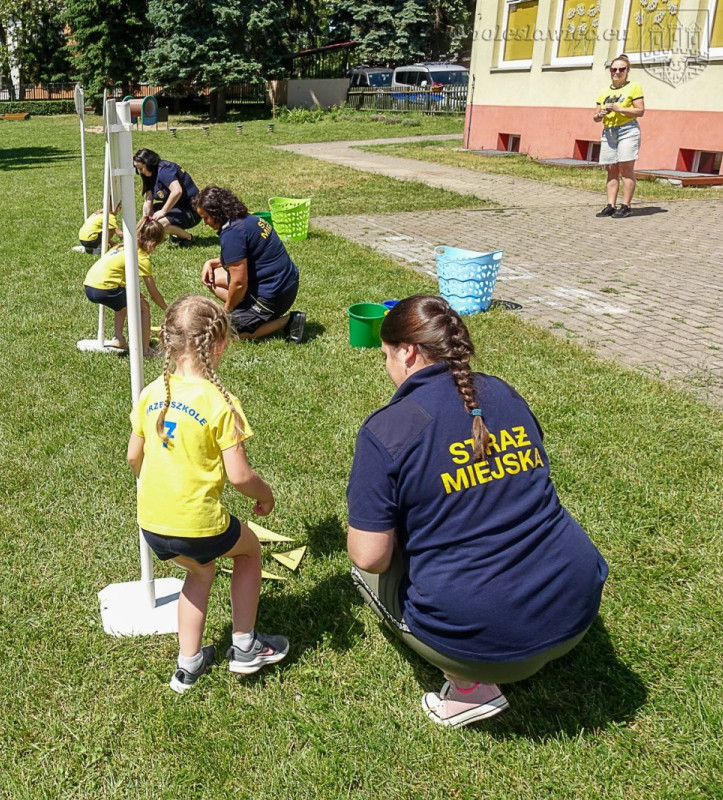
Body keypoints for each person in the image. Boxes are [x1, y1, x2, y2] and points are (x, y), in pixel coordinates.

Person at [346, 295, 608, 728]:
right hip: (576, 608)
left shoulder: (388, 430)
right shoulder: (502, 392)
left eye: (386, 356)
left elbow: (369, 555)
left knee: (364, 569)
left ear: (407, 351)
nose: (388, 367)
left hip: (486, 635)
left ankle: (471, 688)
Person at [127, 294, 289, 694]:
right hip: (198, 524)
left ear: (167, 342)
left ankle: (188, 667)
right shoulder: (221, 403)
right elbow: (239, 476)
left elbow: (133, 456)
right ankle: (246, 646)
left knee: (200, 571)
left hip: (151, 524)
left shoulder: (151, 394)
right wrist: (265, 496)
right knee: (249, 552)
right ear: (219, 344)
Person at [194, 185, 305, 343]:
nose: (205, 223)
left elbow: (239, 283)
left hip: (275, 295)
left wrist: (227, 311)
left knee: (230, 332)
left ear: (216, 213)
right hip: (286, 283)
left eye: (206, 218)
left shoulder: (233, 233)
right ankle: (246, 311)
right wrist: (211, 262)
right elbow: (245, 256)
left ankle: (289, 320)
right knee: (213, 278)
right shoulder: (245, 218)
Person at [83, 218, 168, 352]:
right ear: (152, 243)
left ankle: (118, 339)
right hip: (106, 289)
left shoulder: (121, 246)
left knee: (122, 306)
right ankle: (145, 350)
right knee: (144, 307)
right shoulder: (141, 257)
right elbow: (154, 293)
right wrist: (168, 310)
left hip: (90, 286)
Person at [594, 54, 645, 218]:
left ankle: (626, 206)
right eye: (613, 69)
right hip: (609, 131)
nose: (617, 72)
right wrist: (600, 114)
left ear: (627, 71)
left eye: (621, 69)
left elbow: (640, 111)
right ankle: (610, 205)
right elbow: (595, 117)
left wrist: (620, 109)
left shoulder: (634, 87)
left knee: (626, 169)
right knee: (611, 169)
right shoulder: (604, 91)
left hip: (627, 130)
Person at [133, 149, 198, 246]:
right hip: (177, 206)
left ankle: (188, 238)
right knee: (152, 216)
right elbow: (149, 199)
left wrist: (163, 211)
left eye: (141, 168)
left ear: (149, 164)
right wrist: (145, 219)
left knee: (160, 224)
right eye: (138, 169)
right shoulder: (147, 175)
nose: (140, 172)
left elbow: (177, 191)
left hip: (192, 209)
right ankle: (175, 234)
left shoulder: (165, 170)